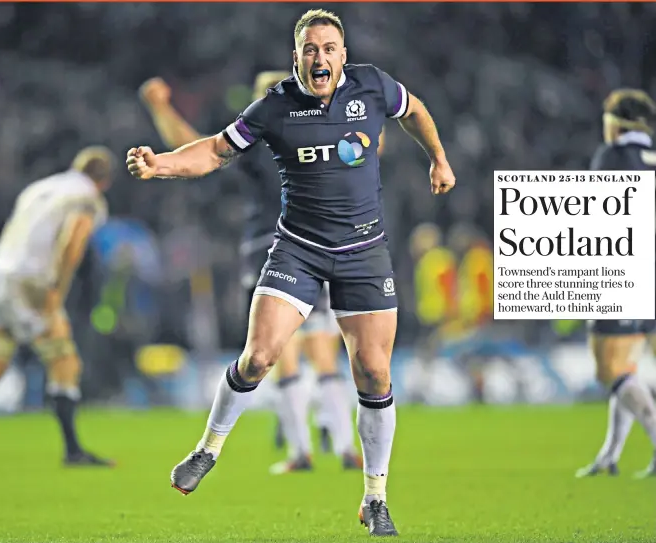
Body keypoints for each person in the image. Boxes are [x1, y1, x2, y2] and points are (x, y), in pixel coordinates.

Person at [127, 9, 455, 536]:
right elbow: (214, 150)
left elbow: (414, 109)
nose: (319, 57)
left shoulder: (373, 86)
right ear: (296, 56)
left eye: (328, 48)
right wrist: (160, 163)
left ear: (343, 54)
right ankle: (208, 449)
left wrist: (437, 157)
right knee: (259, 357)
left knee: (373, 373)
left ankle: (374, 498)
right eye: (310, 49)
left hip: (364, 251)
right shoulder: (276, 105)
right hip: (297, 250)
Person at [138, 73, 384, 473]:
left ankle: (300, 453)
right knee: (324, 352)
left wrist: (159, 107)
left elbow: (193, 144)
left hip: (269, 249)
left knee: (279, 352)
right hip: (322, 246)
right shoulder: (317, 134)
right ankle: (344, 448)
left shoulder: (260, 138)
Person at [0, 147, 116, 468]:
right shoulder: (87, 198)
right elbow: (72, 241)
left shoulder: (39, 188)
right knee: (65, 361)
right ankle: (73, 450)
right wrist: (57, 289)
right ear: (104, 181)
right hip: (29, 282)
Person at [576, 88, 656, 480]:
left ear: (618, 123)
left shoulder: (613, 157)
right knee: (628, 368)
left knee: (611, 368)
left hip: (624, 269)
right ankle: (610, 454)